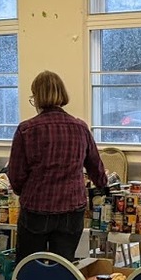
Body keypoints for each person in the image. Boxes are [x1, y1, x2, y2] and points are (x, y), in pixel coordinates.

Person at [7, 71, 108, 262]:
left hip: (36, 208)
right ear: (62, 94)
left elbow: (16, 175)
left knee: (29, 266)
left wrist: (25, 191)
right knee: (63, 267)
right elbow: (96, 167)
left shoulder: (26, 129)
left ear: (36, 97)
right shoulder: (80, 127)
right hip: (72, 209)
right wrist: (103, 185)